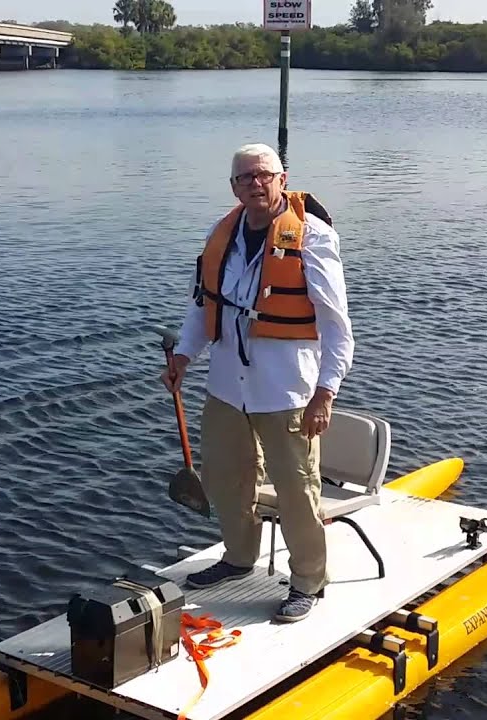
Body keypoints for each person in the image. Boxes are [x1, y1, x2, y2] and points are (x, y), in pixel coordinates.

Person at [161, 142, 355, 623]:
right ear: (234, 187)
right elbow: (202, 306)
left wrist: (325, 392)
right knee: (226, 480)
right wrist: (184, 355)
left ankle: (307, 580)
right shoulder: (221, 235)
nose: (256, 183)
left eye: (264, 175)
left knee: (297, 489)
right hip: (227, 387)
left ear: (282, 179)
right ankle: (238, 557)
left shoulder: (313, 238)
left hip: (286, 390)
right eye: (245, 177)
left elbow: (336, 326)